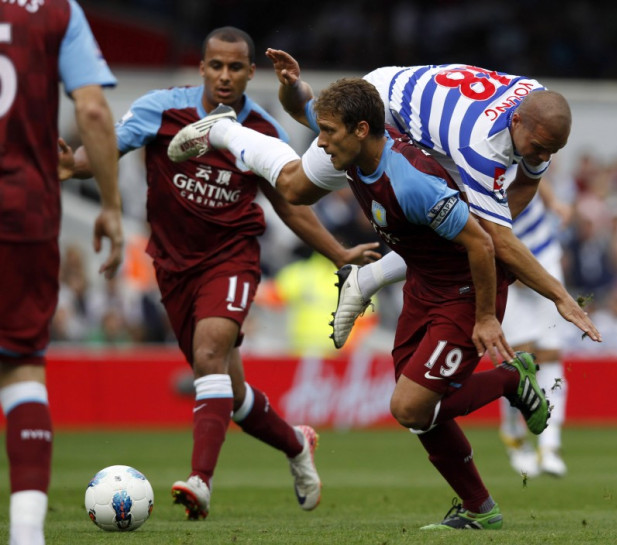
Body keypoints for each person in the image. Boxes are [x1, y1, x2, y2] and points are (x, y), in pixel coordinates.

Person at [171, 75, 557, 530]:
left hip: (463, 291)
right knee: (422, 416)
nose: (322, 142)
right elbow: (302, 135)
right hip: (422, 286)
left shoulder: (414, 182)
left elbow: (483, 245)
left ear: (358, 130)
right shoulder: (352, 147)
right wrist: (293, 91)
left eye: (329, 133)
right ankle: (480, 510)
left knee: (409, 407)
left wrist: (488, 315)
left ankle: (512, 379)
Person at [58, 27, 379, 520]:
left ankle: (200, 483)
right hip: (171, 265)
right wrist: (74, 166)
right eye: (216, 66)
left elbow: (291, 206)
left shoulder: (263, 131)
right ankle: (295, 441)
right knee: (228, 392)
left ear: (251, 72)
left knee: (209, 353)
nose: (225, 76)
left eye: (235, 67)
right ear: (202, 68)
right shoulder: (162, 109)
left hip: (232, 257)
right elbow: (106, 149)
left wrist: (338, 253)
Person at [174, 49, 601, 351]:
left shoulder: (536, 103)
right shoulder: (479, 147)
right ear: (518, 119)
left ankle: (368, 278)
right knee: (296, 189)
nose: (543, 157)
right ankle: (225, 130)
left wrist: (497, 222)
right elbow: (498, 240)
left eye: (553, 151)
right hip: (388, 109)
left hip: (423, 119)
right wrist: (559, 295)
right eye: (539, 146)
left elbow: (523, 186)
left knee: (462, 233)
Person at [0, 2, 124, 544]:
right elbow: (93, 111)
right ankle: (28, 536)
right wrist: (113, 205)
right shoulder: (54, 11)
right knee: (22, 367)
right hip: (20, 209)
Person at [498, 178, 575, 478]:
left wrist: (553, 201)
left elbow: (532, 170)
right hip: (506, 262)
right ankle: (513, 436)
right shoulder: (468, 152)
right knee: (521, 359)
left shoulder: (513, 139)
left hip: (543, 253)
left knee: (551, 353)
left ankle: (550, 444)